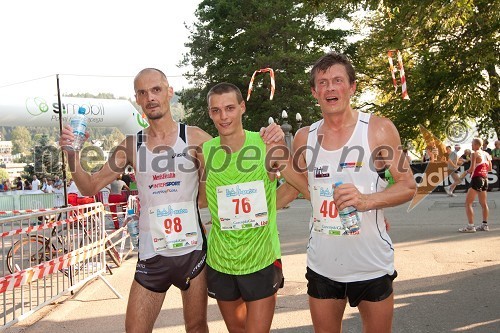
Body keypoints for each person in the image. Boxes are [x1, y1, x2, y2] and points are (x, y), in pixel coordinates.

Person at [59, 68, 283, 332]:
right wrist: (72, 154)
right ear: (138, 99)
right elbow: (90, 186)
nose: (150, 97)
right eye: (143, 93)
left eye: (156, 90)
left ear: (169, 92)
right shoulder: (132, 144)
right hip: (153, 254)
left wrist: (271, 139)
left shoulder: (195, 138)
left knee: (197, 327)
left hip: (193, 254)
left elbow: (234, 169)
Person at [278, 52, 416, 332]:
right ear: (315, 91)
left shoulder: (379, 129)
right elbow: (292, 189)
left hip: (371, 263)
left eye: (338, 80)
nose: (330, 87)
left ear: (351, 87)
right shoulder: (305, 137)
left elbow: (408, 185)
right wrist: (243, 214)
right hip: (323, 263)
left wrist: (367, 200)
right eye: (323, 82)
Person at [198, 82, 309, 333]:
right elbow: (202, 198)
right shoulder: (206, 151)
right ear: (210, 113)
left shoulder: (266, 144)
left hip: (261, 259)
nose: (223, 116)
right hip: (221, 261)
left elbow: (299, 186)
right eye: (216, 111)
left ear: (242, 107)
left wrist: (360, 206)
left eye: (229, 108)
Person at [459, 138, 492, 233]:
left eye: (472, 144)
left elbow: (472, 168)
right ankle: (484, 225)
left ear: (477, 145)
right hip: (485, 179)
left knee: (468, 203)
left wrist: (464, 174)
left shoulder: (474, 153)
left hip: (477, 179)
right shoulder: (487, 154)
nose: (471, 146)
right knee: (483, 203)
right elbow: (489, 168)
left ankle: (470, 226)